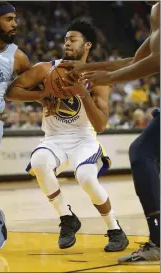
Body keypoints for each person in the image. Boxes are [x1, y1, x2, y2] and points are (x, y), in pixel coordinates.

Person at [7, 18, 129, 251]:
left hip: (84, 138)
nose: (67, 43)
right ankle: (67, 218)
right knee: (39, 162)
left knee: (85, 176)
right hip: (54, 139)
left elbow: (101, 125)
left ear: (88, 46)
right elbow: (12, 91)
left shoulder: (98, 76)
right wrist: (41, 95)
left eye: (73, 40)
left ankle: (115, 229)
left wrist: (82, 92)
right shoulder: (46, 69)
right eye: (65, 39)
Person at [60, 2, 160, 262]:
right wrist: (89, 69)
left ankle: (159, 242)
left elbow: (156, 62)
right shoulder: (156, 11)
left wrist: (107, 79)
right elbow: (137, 60)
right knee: (144, 152)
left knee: (142, 152)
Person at [0, 1, 44, 250]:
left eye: (15, 19)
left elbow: (36, 87)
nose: (15, 24)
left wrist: (46, 96)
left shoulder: (18, 57)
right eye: (9, 19)